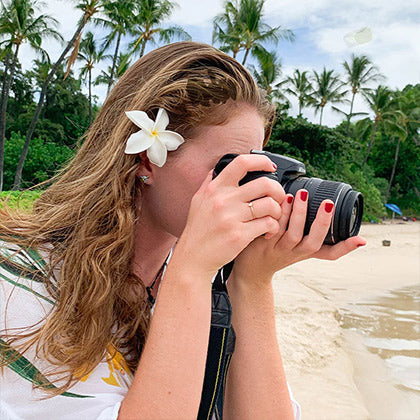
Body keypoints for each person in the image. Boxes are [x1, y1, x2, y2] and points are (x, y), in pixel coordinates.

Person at [0, 41, 366, 420]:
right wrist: (189, 272)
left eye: (258, 166)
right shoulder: (20, 283)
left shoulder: (206, 278)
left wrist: (251, 283)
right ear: (147, 159)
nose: (250, 185)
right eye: (231, 166)